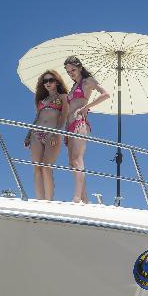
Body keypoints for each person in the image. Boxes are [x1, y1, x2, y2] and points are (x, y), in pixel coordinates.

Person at [63, 56, 111, 203]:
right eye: (68, 71)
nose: (70, 72)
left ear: (79, 67)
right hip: (69, 126)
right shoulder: (73, 86)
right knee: (72, 162)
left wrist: (86, 107)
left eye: (73, 69)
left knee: (77, 160)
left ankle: (76, 197)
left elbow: (106, 94)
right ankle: (84, 198)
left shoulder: (87, 81)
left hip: (80, 123)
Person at [24, 71, 69, 200]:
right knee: (37, 168)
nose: (48, 83)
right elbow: (36, 118)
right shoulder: (41, 101)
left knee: (46, 166)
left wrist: (56, 133)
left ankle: (49, 201)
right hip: (36, 134)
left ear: (57, 81)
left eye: (51, 80)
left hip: (52, 134)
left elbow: (63, 117)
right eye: (45, 81)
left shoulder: (63, 97)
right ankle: (40, 199)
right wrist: (28, 134)